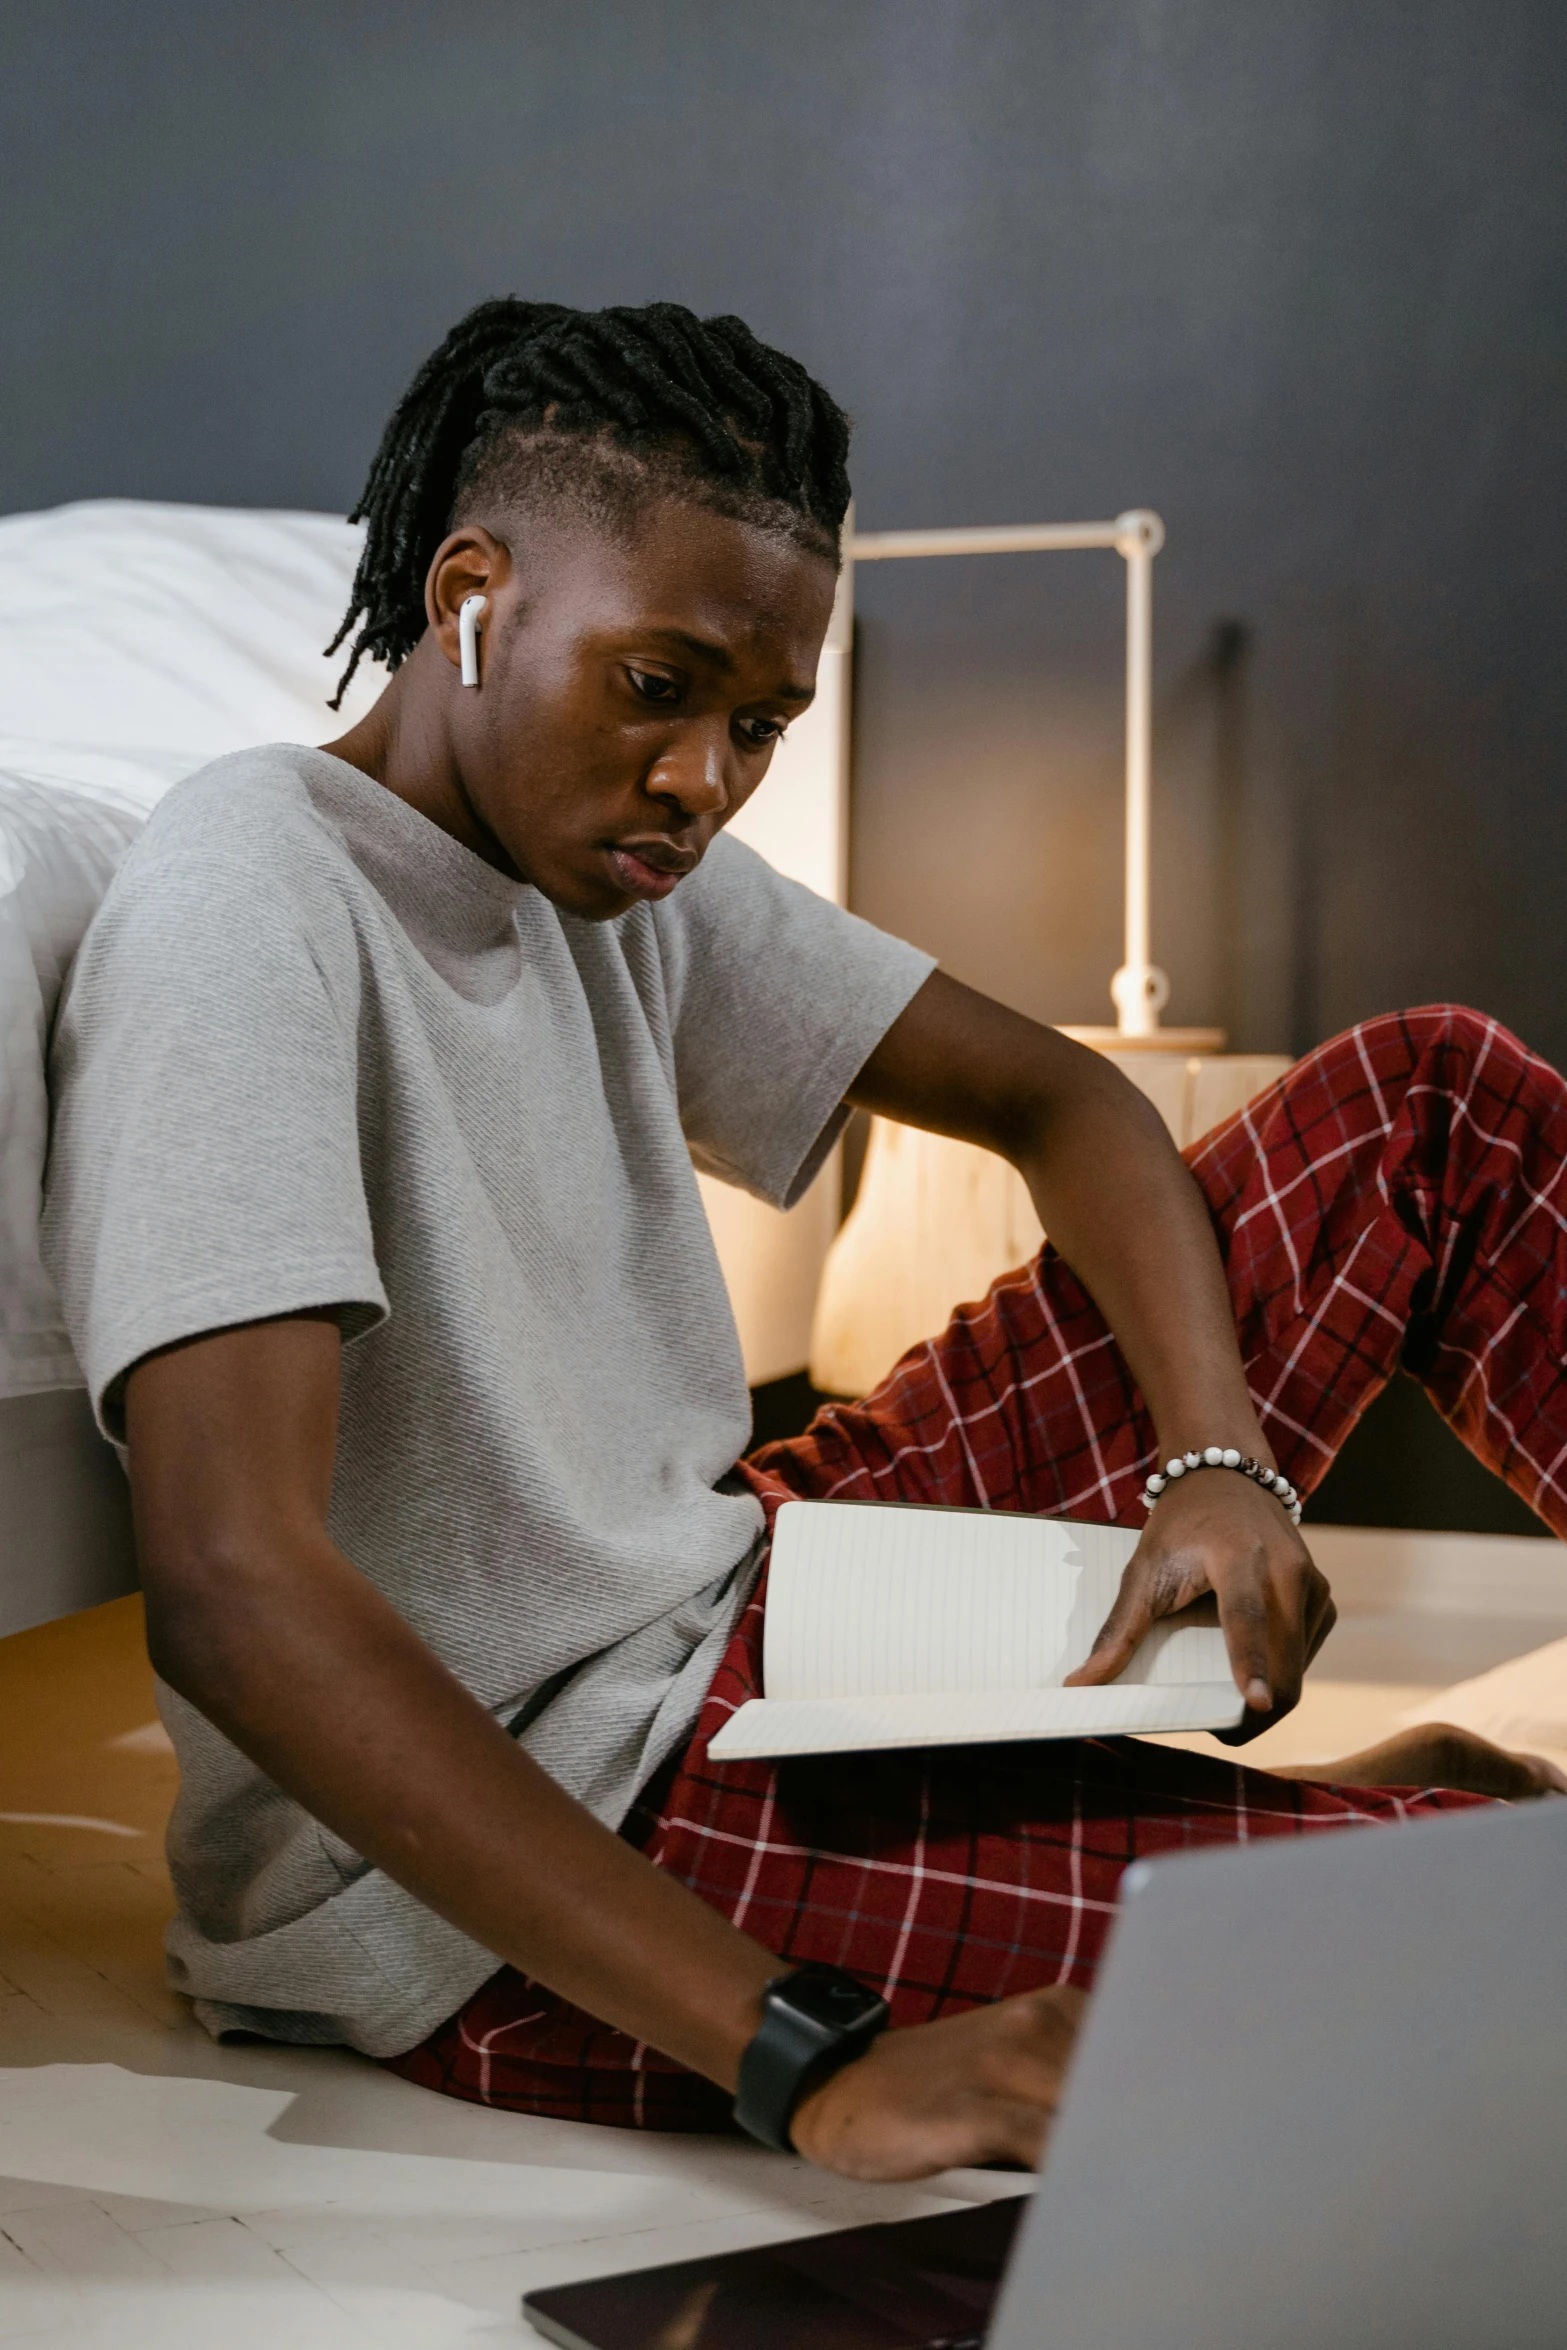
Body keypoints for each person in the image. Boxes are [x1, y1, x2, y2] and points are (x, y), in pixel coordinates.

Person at [42, 300, 1566, 2184]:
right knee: (1507, 1948)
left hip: (747, 1614)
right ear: (471, 597)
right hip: (542, 1851)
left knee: (1433, 1106)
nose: (705, 778)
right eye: (657, 685)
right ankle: (1284, 1838)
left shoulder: (618, 873)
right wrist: (804, 2057)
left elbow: (1070, 1104)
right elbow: (233, 1588)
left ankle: (1233, 1821)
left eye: (761, 721)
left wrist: (1213, 1457)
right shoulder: (245, 895)